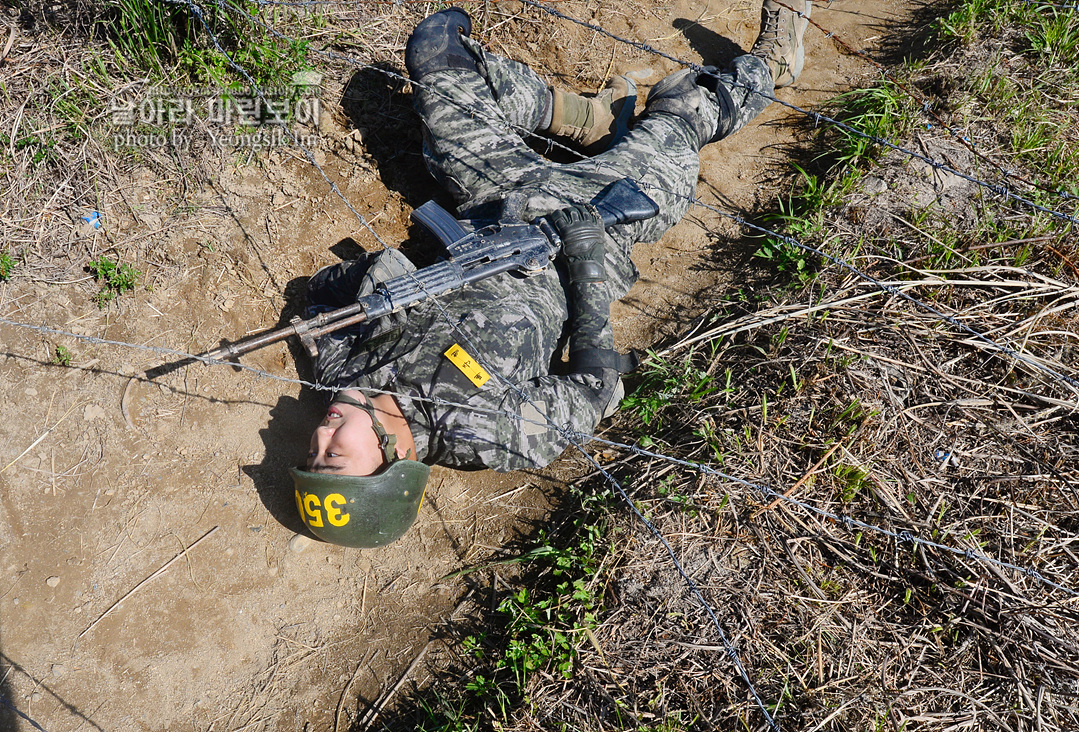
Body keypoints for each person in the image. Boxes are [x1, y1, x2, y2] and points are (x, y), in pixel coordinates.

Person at [289, 1, 812, 547]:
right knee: (682, 108)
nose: (322, 432)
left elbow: (322, 295)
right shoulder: (487, 433)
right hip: (595, 221)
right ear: (394, 458)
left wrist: (387, 279)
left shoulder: (343, 366)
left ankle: (586, 119)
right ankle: (773, 61)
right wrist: (586, 261)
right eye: (336, 453)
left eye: (312, 451)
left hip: (497, 198)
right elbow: (593, 386)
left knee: (436, 53)